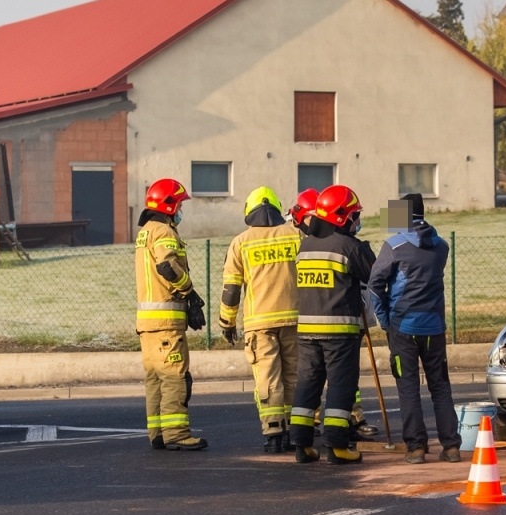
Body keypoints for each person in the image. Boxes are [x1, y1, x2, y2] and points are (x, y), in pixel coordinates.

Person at [369, 193, 461, 463]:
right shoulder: (441, 246)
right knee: (441, 386)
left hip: (403, 328)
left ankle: (417, 448)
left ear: (401, 214)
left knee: (408, 388)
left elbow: (376, 284)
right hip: (434, 328)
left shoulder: (393, 246)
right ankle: (451, 446)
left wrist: (385, 321)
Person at [290, 184, 376, 464]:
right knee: (341, 384)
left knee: (308, 383)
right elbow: (374, 276)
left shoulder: (306, 246)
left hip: (306, 331)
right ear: (342, 217)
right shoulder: (349, 246)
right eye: (354, 215)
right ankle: (338, 446)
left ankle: (302, 445)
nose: (356, 221)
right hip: (339, 331)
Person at [219, 187, 300, 453]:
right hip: (295, 319)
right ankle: (295, 431)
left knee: (268, 378)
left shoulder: (241, 242)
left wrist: (227, 323)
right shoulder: (295, 235)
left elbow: (231, 290)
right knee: (294, 377)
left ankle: (274, 431)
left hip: (259, 324)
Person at [134, 178, 207, 451]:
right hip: (166, 323)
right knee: (175, 376)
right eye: (179, 205)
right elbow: (167, 266)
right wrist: (190, 293)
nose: (180, 211)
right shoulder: (164, 232)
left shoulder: (145, 232)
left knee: (154, 378)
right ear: (170, 205)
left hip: (147, 323)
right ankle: (176, 433)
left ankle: (158, 432)